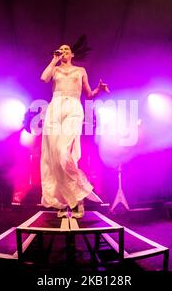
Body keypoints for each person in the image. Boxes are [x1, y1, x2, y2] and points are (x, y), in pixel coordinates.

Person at [40, 40, 109, 218]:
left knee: (64, 153)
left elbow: (89, 94)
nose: (63, 51)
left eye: (66, 50)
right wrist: (53, 61)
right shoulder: (54, 68)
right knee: (54, 156)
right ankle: (64, 203)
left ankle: (78, 199)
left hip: (73, 108)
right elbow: (44, 78)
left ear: (71, 54)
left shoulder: (80, 71)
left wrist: (99, 90)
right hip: (55, 108)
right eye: (60, 49)